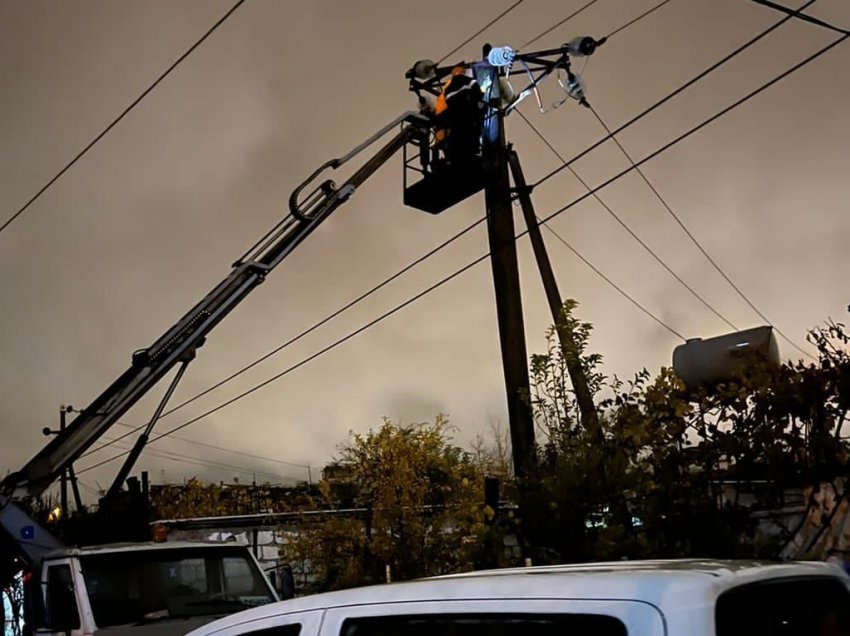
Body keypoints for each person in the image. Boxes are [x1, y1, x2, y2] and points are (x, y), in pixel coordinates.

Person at [433, 66, 484, 165]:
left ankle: (452, 158)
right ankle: (473, 154)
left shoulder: (447, 88)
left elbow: (447, 104)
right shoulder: (470, 81)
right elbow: (478, 94)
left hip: (454, 121)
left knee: (456, 139)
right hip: (468, 116)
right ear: (463, 72)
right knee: (470, 137)